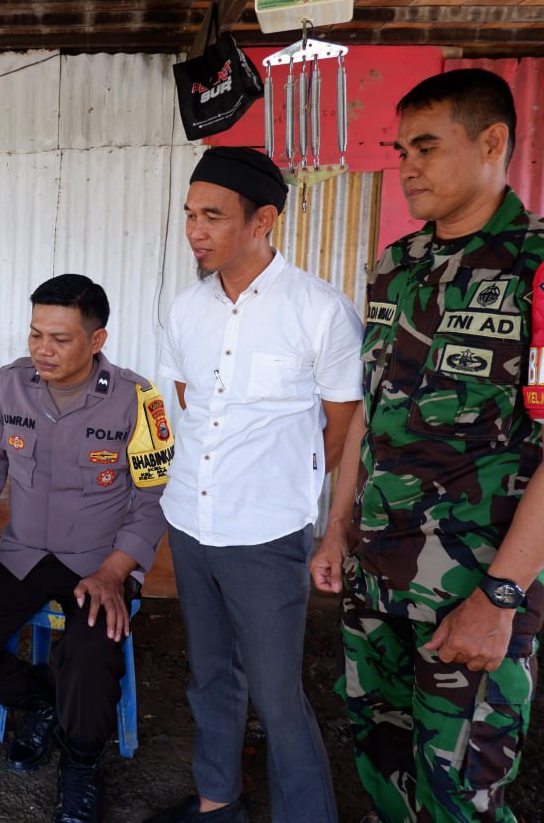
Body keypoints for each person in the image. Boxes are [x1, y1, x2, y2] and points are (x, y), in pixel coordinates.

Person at [309, 69, 544, 822]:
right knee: (382, 768)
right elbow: (370, 418)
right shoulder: (398, 265)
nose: (406, 166)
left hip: (470, 592)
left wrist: (501, 597)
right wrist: (336, 527)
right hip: (375, 579)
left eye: (425, 147)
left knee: (459, 799)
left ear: (491, 143)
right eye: (400, 150)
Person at [143, 147, 363, 823]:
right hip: (191, 520)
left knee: (276, 693)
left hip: (266, 533)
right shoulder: (187, 308)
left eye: (212, 216)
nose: (195, 230)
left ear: (262, 219)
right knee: (210, 673)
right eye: (190, 214)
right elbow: (190, 405)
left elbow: (341, 430)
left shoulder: (320, 311)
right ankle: (218, 804)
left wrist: (316, 512)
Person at [0, 274, 173, 823]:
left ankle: (81, 763)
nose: (43, 349)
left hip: (100, 560)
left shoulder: (137, 400)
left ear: (97, 339)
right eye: (36, 334)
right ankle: (40, 700)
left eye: (60, 338)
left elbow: (154, 496)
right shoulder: (10, 385)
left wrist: (116, 572)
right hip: (26, 553)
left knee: (88, 654)